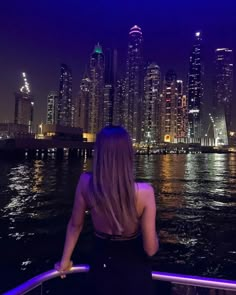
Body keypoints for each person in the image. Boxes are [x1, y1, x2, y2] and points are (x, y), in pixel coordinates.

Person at [55, 126, 159, 295]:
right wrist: (155, 237)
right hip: (134, 277)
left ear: (99, 153)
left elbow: (75, 225)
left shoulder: (85, 183)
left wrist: (65, 261)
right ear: (127, 154)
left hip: (100, 269)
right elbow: (150, 249)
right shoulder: (145, 193)